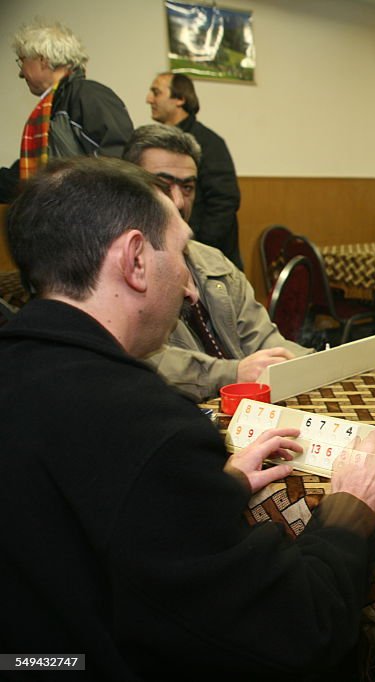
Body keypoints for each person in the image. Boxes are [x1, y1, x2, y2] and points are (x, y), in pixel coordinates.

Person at [0, 156, 375, 679]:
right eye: (182, 251)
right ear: (136, 260)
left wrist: (219, 486)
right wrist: (348, 512)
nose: (190, 285)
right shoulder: (151, 428)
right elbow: (296, 631)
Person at [123, 124, 311, 402]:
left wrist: (306, 364)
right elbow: (141, 358)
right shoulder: (117, 268)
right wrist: (235, 373)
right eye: (162, 185)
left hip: (251, 409)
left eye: (187, 187)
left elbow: (262, 337)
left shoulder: (212, 260)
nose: (177, 201)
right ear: (129, 186)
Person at [0, 20, 132, 203]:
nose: (21, 73)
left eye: (22, 61)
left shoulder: (87, 94)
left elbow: (118, 162)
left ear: (42, 60)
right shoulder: (54, 106)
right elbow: (34, 175)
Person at [146, 71, 243, 269]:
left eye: (156, 93)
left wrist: (197, 247)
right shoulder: (156, 144)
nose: (148, 99)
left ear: (180, 99)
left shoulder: (209, 142)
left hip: (207, 263)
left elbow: (224, 201)